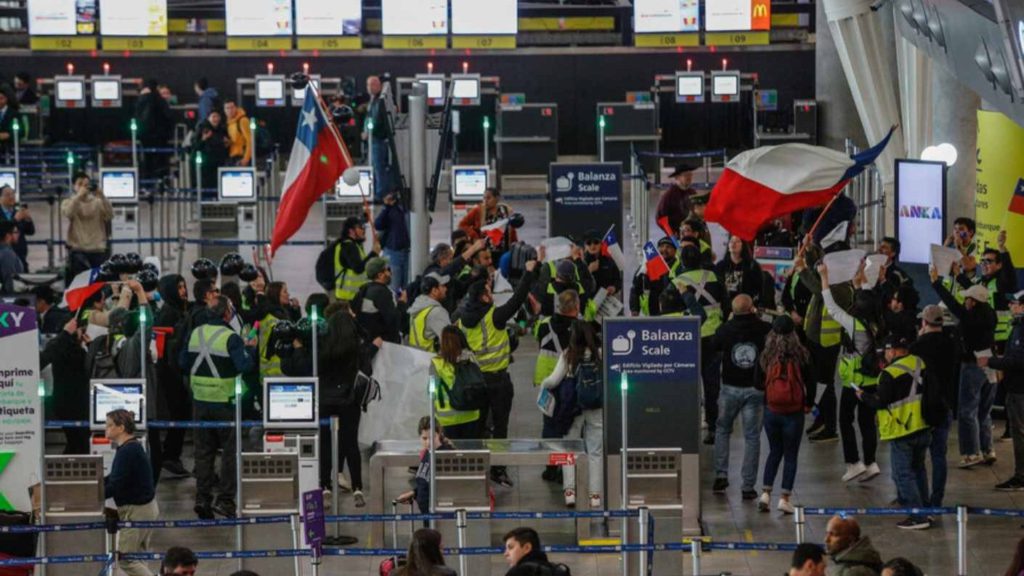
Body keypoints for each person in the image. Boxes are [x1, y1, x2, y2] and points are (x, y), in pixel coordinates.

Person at [457, 259, 538, 487]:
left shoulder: (462, 319)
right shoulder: (495, 317)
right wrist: (529, 272)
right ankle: (498, 468)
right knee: (500, 426)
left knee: (478, 425)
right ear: (483, 297)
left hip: (474, 382)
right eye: (488, 291)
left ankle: (475, 467)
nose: (491, 294)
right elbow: (518, 298)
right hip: (498, 381)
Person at [282, 301, 370, 506]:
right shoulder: (356, 346)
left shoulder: (322, 344)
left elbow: (308, 367)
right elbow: (367, 370)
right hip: (349, 400)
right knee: (350, 443)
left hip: (323, 399)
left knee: (324, 444)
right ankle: (358, 488)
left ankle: (325, 487)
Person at [180, 295, 257, 519]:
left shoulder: (195, 333)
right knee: (230, 453)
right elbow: (244, 365)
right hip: (226, 404)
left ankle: (202, 498)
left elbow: (183, 363)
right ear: (227, 314)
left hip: (200, 402)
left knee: (203, 453)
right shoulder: (231, 338)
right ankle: (225, 501)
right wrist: (250, 348)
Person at [858, 335, 933, 530]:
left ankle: (917, 516)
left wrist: (863, 396)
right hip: (923, 426)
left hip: (902, 430)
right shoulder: (919, 362)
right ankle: (926, 510)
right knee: (919, 470)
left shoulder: (888, 374)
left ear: (892, 351)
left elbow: (880, 402)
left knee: (902, 475)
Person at [819, 262, 883, 483]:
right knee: (867, 422)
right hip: (872, 378)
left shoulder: (853, 323)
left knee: (845, 420)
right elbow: (868, 298)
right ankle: (871, 462)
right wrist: (861, 281)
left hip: (853, 381)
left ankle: (853, 463)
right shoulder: (877, 320)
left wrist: (824, 277)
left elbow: (832, 307)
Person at [932, 268, 998, 468]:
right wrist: (959, 276)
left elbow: (953, 305)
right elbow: (975, 291)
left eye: (968, 299)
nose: (965, 301)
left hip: (973, 365)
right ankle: (988, 450)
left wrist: (936, 283)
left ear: (974, 302)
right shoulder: (989, 312)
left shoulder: (971, 317)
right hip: (990, 365)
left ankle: (971, 453)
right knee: (984, 411)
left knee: (967, 411)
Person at [711, 294, 772, 499]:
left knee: (722, 430)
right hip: (756, 389)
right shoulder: (764, 329)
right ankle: (747, 486)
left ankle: (721, 474)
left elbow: (714, 346)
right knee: (752, 437)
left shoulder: (725, 329)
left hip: (730, 387)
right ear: (752, 309)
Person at [541, 316, 605, 509]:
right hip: (596, 406)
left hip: (573, 408)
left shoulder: (568, 354)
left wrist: (543, 386)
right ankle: (595, 496)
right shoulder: (600, 354)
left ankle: (570, 493)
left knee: (569, 450)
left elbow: (553, 381)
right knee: (595, 452)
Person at [757, 315, 814, 515]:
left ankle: (765, 493)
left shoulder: (766, 355)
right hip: (794, 412)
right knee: (791, 455)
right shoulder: (801, 354)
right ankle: (784, 498)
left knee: (774, 451)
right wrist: (808, 404)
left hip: (771, 410)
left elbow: (758, 382)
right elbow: (811, 382)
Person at [910, 304, 960, 505]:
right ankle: (936, 499)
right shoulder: (952, 344)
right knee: (939, 455)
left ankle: (921, 500)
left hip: (923, 406)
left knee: (918, 458)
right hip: (945, 404)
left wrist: (920, 337)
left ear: (924, 322)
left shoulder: (919, 346)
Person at [676, 243, 725, 443]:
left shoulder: (678, 282)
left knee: (688, 385)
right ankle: (713, 427)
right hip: (714, 337)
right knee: (712, 385)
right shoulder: (714, 278)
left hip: (689, 339)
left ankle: (688, 428)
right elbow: (726, 304)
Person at [104, 408, 159, 576]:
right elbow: (115, 477)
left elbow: (115, 484)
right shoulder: (131, 447)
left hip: (136, 511)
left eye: (109, 425)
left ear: (121, 428)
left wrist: (92, 496)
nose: (106, 429)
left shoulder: (127, 451)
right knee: (139, 557)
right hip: (147, 508)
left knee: (126, 560)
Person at [535, 290, 579, 481]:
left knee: (550, 426)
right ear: (576, 307)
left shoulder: (544, 325)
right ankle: (568, 469)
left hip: (548, 382)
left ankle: (551, 467)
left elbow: (539, 342)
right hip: (570, 383)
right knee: (570, 427)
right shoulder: (580, 328)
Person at [983, 290, 1024, 490]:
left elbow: (1019, 360)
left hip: (1020, 391)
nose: (1010, 306)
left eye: (1015, 303)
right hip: (1016, 388)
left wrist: (992, 362)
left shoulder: (1022, 329)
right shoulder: (1017, 326)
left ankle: (1021, 476)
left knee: (1020, 434)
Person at [154, 274, 192, 479]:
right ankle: (170, 455)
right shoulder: (169, 313)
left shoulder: (179, 310)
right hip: (169, 371)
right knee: (179, 411)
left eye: (184, 286)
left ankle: (170, 454)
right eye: (179, 287)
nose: (184, 291)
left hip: (174, 370)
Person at [41, 317, 89, 454]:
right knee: (79, 443)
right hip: (79, 406)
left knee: (74, 441)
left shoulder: (56, 347)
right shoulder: (78, 352)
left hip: (61, 404)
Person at [430, 325, 482, 440]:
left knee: (450, 455)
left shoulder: (437, 363)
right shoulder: (471, 357)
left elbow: (431, 392)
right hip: (471, 414)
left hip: (447, 419)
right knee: (470, 453)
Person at [62, 171, 114, 278]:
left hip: (97, 249)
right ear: (74, 186)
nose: (83, 187)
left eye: (85, 184)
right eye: (79, 184)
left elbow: (110, 215)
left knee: (98, 283)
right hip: (78, 249)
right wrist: (78, 196)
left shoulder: (98, 202)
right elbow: (68, 213)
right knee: (81, 284)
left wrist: (103, 197)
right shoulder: (68, 202)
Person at [398, 416, 453, 515]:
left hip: (439, 516)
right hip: (427, 513)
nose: (428, 442)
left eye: (432, 437)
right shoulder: (428, 452)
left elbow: (445, 488)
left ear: (439, 434)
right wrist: (414, 493)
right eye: (424, 438)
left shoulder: (445, 456)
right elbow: (426, 482)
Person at [257, 281, 302, 383]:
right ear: (276, 294)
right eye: (285, 291)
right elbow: (291, 335)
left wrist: (295, 310)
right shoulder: (275, 318)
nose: (288, 294)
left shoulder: (279, 312)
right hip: (275, 371)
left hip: (277, 369)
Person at [354, 257, 407, 344]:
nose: (390, 273)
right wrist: (402, 303)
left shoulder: (364, 288)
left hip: (369, 340)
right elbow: (394, 321)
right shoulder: (381, 293)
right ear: (380, 275)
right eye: (388, 269)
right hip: (384, 343)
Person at [981, 231, 1018, 348]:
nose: (984, 264)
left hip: (1001, 339)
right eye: (982, 261)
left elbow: (1009, 274)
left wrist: (1002, 248)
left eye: (988, 261)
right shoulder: (979, 282)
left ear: (999, 265)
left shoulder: (1001, 283)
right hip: (984, 337)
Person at [332, 216, 380, 302]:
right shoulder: (349, 246)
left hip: (351, 295)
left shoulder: (352, 245)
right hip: (349, 297)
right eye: (360, 227)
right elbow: (358, 268)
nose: (363, 230)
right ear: (351, 231)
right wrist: (373, 253)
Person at [135, 78, 175, 180]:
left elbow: (136, 116)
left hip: (145, 137)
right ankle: (162, 184)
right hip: (160, 137)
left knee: (146, 160)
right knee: (161, 162)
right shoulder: (161, 100)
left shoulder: (141, 100)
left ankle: (146, 184)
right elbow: (169, 116)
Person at [364, 75, 393, 202]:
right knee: (376, 167)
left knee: (379, 166)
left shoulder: (380, 101)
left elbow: (375, 120)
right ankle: (378, 190)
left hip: (378, 139)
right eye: (368, 85)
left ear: (379, 86)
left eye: (372, 85)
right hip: (375, 138)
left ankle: (381, 193)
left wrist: (368, 131)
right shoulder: (373, 101)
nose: (370, 88)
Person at [375, 191, 411, 290]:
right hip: (393, 252)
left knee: (408, 288)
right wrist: (387, 206)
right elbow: (378, 224)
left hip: (408, 252)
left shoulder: (410, 210)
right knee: (393, 287)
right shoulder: (391, 210)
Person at [715, 235, 764, 308]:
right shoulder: (720, 266)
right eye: (731, 241)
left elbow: (759, 289)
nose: (733, 244)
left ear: (743, 245)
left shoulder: (752, 266)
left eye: (737, 241)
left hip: (745, 307)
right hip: (725, 307)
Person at [408, 272, 452, 352]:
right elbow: (450, 343)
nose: (446, 289)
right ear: (434, 291)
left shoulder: (417, 307)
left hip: (417, 360)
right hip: (433, 362)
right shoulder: (437, 312)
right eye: (442, 286)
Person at [655, 163, 697, 237]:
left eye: (690, 175)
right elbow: (660, 217)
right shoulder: (669, 195)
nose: (689, 177)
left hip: (691, 234)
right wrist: (671, 233)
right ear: (677, 177)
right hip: (676, 235)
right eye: (686, 175)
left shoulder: (692, 192)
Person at [0, 184, 34, 270]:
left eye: (13, 194)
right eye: (7, 195)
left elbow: (31, 231)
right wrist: (15, 219)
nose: (11, 197)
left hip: (20, 256)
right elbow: (3, 229)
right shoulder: (15, 216)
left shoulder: (18, 212)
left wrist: (28, 219)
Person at [194, 109, 229, 187]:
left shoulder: (222, 129)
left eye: (217, 116)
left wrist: (227, 143)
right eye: (213, 116)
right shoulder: (202, 128)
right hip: (206, 164)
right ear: (208, 118)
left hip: (220, 163)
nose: (216, 119)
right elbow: (196, 146)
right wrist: (203, 139)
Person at [582, 229, 622, 297]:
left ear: (601, 243)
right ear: (585, 246)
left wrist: (614, 288)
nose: (592, 246)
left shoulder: (608, 259)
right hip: (589, 301)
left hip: (606, 300)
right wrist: (588, 271)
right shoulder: (581, 262)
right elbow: (578, 285)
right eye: (589, 243)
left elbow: (618, 280)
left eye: (596, 242)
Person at [223, 98, 252, 166]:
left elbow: (250, 141)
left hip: (241, 158)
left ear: (236, 108)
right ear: (224, 110)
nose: (230, 110)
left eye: (232, 107)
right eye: (227, 108)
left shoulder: (242, 120)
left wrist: (246, 158)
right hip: (232, 157)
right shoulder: (229, 123)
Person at [0, 220, 23, 293]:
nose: (19, 234)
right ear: (8, 235)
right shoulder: (7, 254)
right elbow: (10, 279)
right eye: (16, 232)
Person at [0, 87, 16, 157]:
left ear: (6, 99)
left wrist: (9, 135)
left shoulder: (14, 113)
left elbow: (22, 132)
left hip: (9, 146)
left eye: (1, 98)